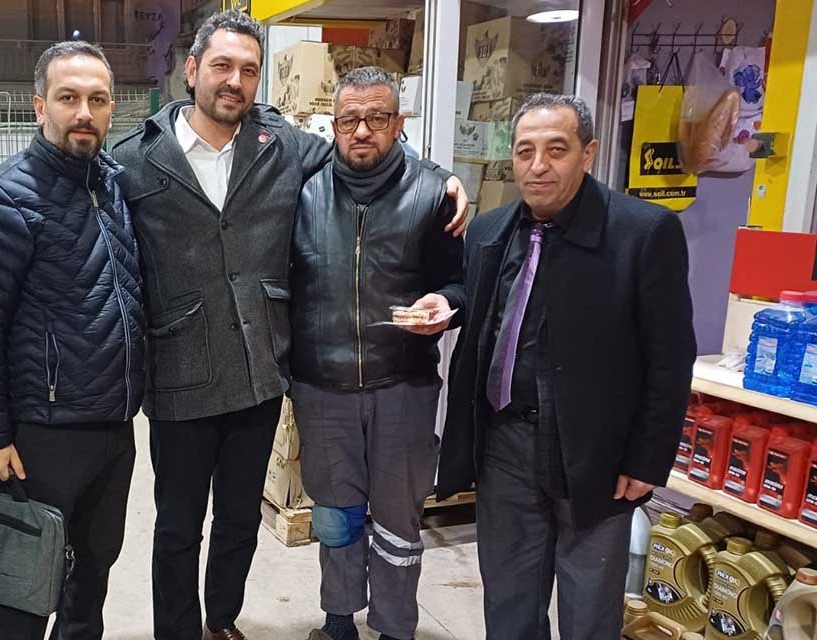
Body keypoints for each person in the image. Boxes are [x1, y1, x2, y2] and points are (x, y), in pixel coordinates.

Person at [111, 10, 470, 640]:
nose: (235, 80)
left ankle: (221, 620)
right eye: (222, 66)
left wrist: (442, 178)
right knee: (177, 527)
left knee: (238, 522)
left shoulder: (281, 145)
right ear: (192, 70)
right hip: (180, 375)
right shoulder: (136, 160)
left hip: (258, 373)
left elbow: (365, 148)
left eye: (249, 70)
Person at [436, 93, 696, 640]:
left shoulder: (642, 232)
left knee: (588, 605)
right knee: (508, 595)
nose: (538, 165)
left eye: (556, 150)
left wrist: (648, 458)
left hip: (596, 453)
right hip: (505, 443)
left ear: (588, 153)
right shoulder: (489, 231)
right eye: (525, 151)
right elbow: (481, 320)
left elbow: (671, 358)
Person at [0, 41, 144, 640]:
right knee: (29, 581)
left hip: (112, 427)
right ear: (40, 106)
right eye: (68, 98)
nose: (84, 112)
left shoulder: (113, 186)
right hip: (40, 434)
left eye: (97, 100)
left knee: (93, 574)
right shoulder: (2, 199)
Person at [289, 66, 464, 640]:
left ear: (398, 121)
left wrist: (446, 303)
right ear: (333, 124)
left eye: (377, 117)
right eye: (349, 119)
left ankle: (394, 627)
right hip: (323, 389)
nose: (362, 130)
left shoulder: (433, 195)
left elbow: (459, 282)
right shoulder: (303, 192)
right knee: (335, 515)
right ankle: (338, 619)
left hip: (403, 387)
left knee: (397, 521)